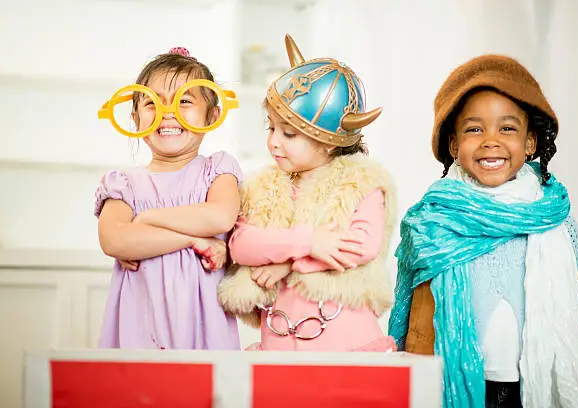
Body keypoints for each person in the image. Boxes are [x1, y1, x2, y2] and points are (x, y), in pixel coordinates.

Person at [388, 54, 578, 408]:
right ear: (453, 145)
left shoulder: (554, 221)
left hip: (530, 387)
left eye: (507, 128)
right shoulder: (431, 223)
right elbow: (406, 313)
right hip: (449, 384)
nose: (491, 140)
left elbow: (577, 310)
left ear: (530, 143)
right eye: (474, 129)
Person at [217, 34, 397, 352]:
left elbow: (361, 246)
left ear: (329, 141)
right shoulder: (263, 187)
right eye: (270, 128)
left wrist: (286, 264)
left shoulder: (360, 184)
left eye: (288, 133)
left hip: (346, 345)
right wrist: (309, 242)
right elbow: (242, 246)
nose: (274, 141)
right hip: (280, 346)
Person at [95, 47, 242, 350]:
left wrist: (146, 220)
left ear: (212, 114)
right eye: (152, 103)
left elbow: (219, 217)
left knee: (205, 394)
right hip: (139, 326)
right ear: (135, 118)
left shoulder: (218, 170)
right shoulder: (124, 184)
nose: (168, 112)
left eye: (185, 100)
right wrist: (193, 241)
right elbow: (114, 241)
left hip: (203, 329)